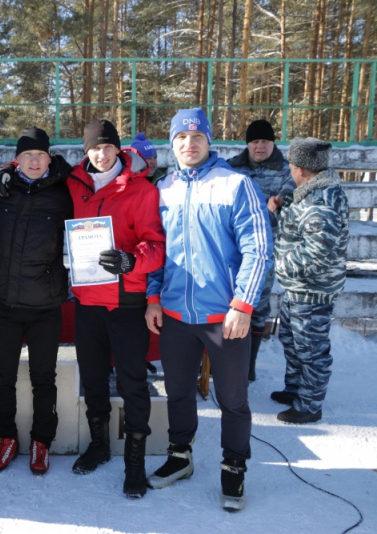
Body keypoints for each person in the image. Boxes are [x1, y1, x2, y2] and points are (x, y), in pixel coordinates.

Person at [144, 108, 271, 512]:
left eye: (197, 136)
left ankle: (234, 467)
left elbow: (258, 249)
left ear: (209, 141)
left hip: (225, 317)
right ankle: (180, 456)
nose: (189, 143)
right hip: (176, 314)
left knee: (233, 399)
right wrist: (153, 297)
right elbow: (157, 249)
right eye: (181, 137)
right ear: (172, 143)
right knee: (178, 391)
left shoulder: (236, 184)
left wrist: (243, 304)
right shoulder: (163, 188)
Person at [66, 119, 166, 498]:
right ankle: (99, 445)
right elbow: (33, 165)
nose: (102, 154)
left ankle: (134, 461)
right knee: (93, 378)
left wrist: (131, 260)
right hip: (88, 299)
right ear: (86, 151)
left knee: (131, 382)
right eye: (95, 148)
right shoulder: (75, 184)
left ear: (118, 149)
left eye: (108, 147)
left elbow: (156, 246)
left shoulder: (142, 190)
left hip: (126, 302)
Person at [0, 127, 73, 476]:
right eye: (27, 155)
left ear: (49, 158)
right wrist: (2, 175)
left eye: (40, 155)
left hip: (45, 306)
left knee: (43, 379)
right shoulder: (2, 189)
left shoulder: (64, 192)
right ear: (17, 159)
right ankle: (6, 437)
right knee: (2, 377)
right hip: (5, 304)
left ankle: (42, 442)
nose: (34, 161)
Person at [270, 138, 348, 424]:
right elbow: (301, 225)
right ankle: (295, 389)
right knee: (291, 340)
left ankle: (309, 405)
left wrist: (280, 264)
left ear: (300, 169)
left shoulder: (320, 201)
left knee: (311, 349)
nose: (290, 170)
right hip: (299, 287)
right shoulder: (311, 191)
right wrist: (282, 208)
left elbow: (317, 249)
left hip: (312, 289)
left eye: (291, 165)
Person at [227, 120, 295, 381]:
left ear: (273, 144)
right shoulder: (232, 167)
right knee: (227, 302)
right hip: (232, 250)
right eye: (255, 142)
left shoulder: (286, 171)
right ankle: (225, 360)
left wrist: (277, 207)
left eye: (265, 142)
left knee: (257, 305)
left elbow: (291, 203)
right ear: (247, 144)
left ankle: (249, 365)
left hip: (265, 251)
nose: (259, 147)